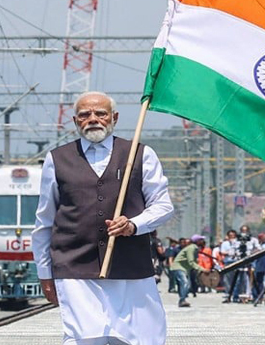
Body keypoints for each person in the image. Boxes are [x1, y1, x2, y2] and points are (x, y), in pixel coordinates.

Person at [32, 91, 174, 345]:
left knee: (143, 338)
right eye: (85, 115)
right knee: (83, 338)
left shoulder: (140, 154)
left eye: (100, 113)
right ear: (76, 121)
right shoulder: (57, 159)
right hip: (75, 267)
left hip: (131, 268)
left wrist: (134, 225)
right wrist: (44, 273)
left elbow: (163, 206)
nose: (93, 119)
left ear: (114, 118)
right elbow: (45, 221)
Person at [169, 235, 207, 308]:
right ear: (197, 241)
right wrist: (203, 269)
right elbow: (191, 262)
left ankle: (182, 299)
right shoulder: (191, 248)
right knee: (185, 283)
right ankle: (182, 300)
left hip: (183, 268)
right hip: (179, 267)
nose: (203, 241)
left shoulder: (194, 248)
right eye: (201, 240)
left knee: (183, 284)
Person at [251, 232, 265, 300]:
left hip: (261, 266)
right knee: (258, 281)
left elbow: (260, 251)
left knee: (260, 281)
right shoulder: (260, 244)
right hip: (258, 265)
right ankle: (258, 295)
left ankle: (259, 295)